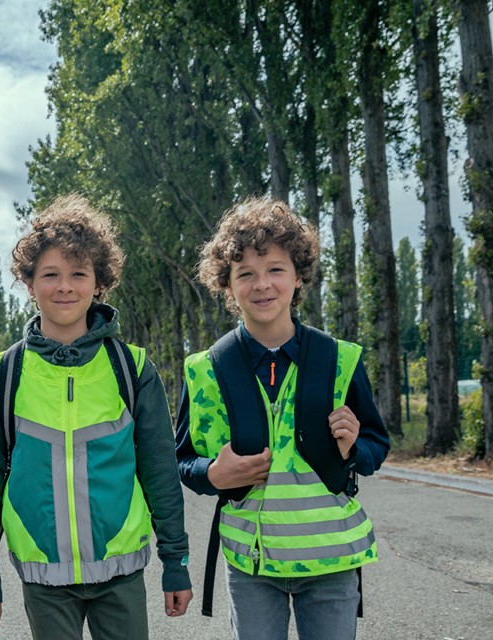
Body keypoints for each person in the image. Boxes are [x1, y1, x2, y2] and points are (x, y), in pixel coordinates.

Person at [0, 194, 192, 640]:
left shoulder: (132, 368)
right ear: (29, 284)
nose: (64, 286)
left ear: (99, 283)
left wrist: (176, 562)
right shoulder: (1, 375)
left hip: (121, 573)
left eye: (78, 274)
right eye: (50, 274)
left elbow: (160, 473)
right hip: (43, 579)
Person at [175, 196, 390, 640]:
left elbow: (376, 444)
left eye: (275, 269)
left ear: (298, 276)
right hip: (251, 566)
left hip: (332, 560)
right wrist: (213, 473)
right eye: (245, 273)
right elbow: (183, 460)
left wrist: (354, 449)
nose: (262, 284)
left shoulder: (340, 360)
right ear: (227, 285)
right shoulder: (205, 369)